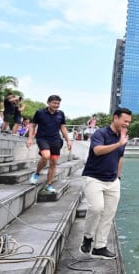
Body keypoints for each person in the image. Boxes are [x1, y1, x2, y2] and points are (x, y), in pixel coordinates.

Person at [79, 107, 132, 260]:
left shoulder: (123, 137)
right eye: (125, 121)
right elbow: (97, 150)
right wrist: (119, 143)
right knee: (96, 208)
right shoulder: (100, 133)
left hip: (112, 180)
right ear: (116, 118)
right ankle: (88, 237)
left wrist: (118, 177)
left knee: (109, 213)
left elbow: (120, 158)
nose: (127, 124)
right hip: (94, 177)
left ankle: (100, 246)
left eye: (129, 122)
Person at [27, 95, 73, 193]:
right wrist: (30, 138)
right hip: (42, 138)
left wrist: (68, 140)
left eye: (58, 103)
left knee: (53, 162)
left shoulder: (61, 114)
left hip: (56, 140)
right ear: (48, 103)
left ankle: (49, 184)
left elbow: (63, 128)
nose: (56, 105)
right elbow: (33, 125)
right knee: (46, 156)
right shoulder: (40, 113)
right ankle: (36, 173)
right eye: (54, 103)